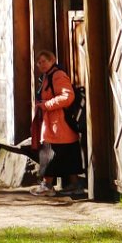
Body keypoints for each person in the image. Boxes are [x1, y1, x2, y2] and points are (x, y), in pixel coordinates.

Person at [30, 50, 82, 197]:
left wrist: (47, 105)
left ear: (52, 60)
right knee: (67, 154)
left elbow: (67, 96)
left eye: (44, 61)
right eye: (39, 62)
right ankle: (74, 185)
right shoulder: (47, 76)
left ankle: (47, 186)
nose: (41, 64)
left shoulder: (57, 75)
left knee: (48, 154)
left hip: (58, 123)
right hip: (56, 124)